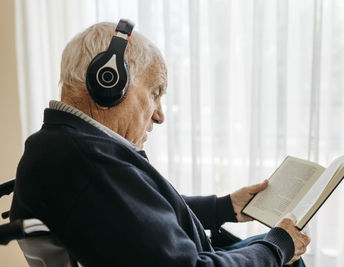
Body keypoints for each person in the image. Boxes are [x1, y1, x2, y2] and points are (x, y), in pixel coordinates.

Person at [10, 20, 310, 266]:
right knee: (282, 254)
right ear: (109, 81)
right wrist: (278, 247)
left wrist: (224, 207)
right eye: (156, 92)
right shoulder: (85, 161)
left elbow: (137, 217)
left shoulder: (72, 147)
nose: (159, 115)